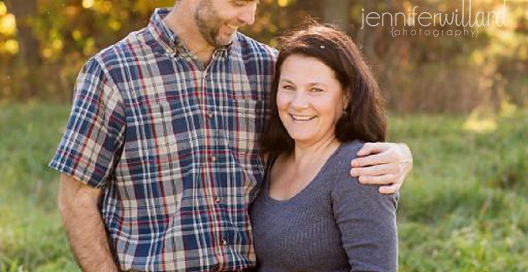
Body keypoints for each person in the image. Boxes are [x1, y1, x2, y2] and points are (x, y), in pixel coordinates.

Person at [49, 1, 411, 271]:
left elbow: (325, 121)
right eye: (238, 1)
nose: (249, 17)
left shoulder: (266, 67)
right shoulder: (113, 73)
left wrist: (399, 154)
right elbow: (77, 197)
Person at [250, 23, 398, 271]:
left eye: (315, 90)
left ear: (347, 96)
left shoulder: (360, 168)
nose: (298, 104)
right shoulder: (273, 159)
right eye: (288, 87)